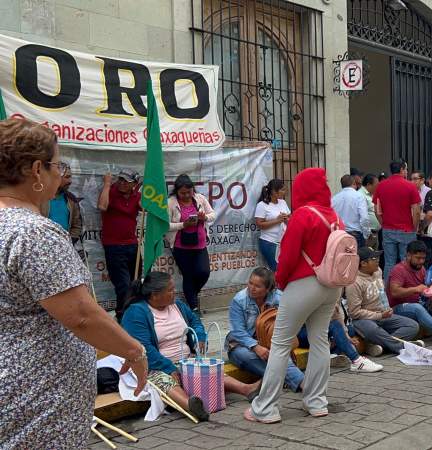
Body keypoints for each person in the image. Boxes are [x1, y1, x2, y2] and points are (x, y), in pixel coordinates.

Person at [0, 118, 147, 448]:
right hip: (36, 395)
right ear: (36, 170)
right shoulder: (33, 232)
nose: (59, 174)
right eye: (56, 165)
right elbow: (81, 314)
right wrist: (134, 351)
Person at [247, 168, 345, 424]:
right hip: (332, 284)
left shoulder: (303, 215)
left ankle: (265, 408)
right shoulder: (333, 215)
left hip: (304, 283)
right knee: (320, 340)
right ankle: (316, 401)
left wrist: (279, 281)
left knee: (280, 344)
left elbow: (288, 255)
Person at [122, 271, 259, 422]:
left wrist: (199, 337)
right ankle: (189, 405)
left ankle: (246, 389)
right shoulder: (136, 313)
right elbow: (144, 349)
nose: (174, 292)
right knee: (164, 380)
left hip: (185, 359)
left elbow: (195, 322)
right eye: (170, 290)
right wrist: (169, 367)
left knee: (208, 368)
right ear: (155, 295)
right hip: (154, 365)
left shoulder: (177, 306)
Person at [226, 267, 305, 392]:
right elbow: (238, 332)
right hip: (241, 345)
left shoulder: (279, 298)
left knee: (277, 354)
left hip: (272, 341)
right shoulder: (239, 300)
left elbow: (291, 321)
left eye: (257, 286)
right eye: (250, 283)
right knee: (247, 355)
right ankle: (301, 382)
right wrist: (256, 347)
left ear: (268, 289)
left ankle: (294, 381)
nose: (252, 288)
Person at [345, 247, 422, 355]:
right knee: (372, 330)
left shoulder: (378, 271)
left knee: (412, 326)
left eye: (377, 257)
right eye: (373, 258)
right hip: (364, 320)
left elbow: (382, 293)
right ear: (363, 263)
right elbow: (355, 313)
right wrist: (379, 316)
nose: (378, 260)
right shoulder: (354, 283)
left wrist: (386, 309)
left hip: (384, 315)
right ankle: (403, 346)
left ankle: (379, 346)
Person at [167, 174, 215, 312]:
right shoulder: (170, 202)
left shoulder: (200, 199)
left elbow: (213, 214)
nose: (187, 195)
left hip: (200, 243)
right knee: (188, 275)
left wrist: (204, 217)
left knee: (203, 272)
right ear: (176, 191)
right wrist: (183, 224)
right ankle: (193, 308)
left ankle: (191, 296)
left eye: (189, 192)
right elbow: (165, 225)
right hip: (180, 246)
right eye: (183, 193)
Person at [98, 168, 142, 321]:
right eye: (120, 179)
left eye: (126, 181)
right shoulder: (111, 191)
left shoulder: (137, 196)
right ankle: (122, 316)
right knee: (122, 284)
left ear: (134, 184)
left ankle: (134, 314)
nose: (122, 183)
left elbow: (149, 209)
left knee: (136, 282)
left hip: (132, 244)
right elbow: (102, 207)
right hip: (114, 246)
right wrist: (107, 185)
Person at [296, 302, 384, 373]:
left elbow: (338, 317)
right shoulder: (305, 292)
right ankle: (356, 360)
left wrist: (347, 336)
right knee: (335, 327)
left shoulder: (330, 292)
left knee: (349, 329)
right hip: (301, 333)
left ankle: (334, 354)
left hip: (323, 331)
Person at [373, 160, 421, 282]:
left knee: (389, 262)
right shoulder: (410, 186)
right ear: (401, 169)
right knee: (406, 261)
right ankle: (406, 286)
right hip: (407, 229)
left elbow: (377, 209)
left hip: (388, 229)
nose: (406, 171)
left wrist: (383, 223)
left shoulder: (381, 186)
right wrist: (414, 227)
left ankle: (389, 288)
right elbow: (416, 211)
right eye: (406, 169)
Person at [254, 179, 290, 271]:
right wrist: (277, 220)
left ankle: (279, 285)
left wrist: (286, 219)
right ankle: (275, 286)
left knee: (284, 269)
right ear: (274, 191)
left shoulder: (283, 202)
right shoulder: (262, 205)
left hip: (283, 241)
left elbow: (289, 220)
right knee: (276, 269)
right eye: (282, 190)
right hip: (269, 242)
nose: (284, 192)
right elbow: (259, 224)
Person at [44, 164, 82, 245]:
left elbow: (77, 225)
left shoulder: (71, 199)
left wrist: (69, 242)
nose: (70, 181)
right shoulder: (40, 198)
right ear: (56, 177)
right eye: (67, 177)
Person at [332, 174, 371, 248]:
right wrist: (366, 235)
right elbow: (364, 218)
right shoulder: (359, 197)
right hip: (356, 235)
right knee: (356, 258)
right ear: (354, 183)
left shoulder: (334, 199)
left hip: (339, 235)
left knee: (342, 259)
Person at [360, 173, 380, 249]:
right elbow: (362, 216)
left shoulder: (372, 195)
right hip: (368, 234)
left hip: (375, 233)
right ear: (369, 184)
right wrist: (367, 233)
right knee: (367, 259)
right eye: (376, 185)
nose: (377, 187)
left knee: (374, 259)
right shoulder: (360, 195)